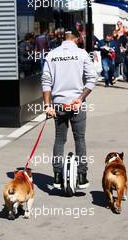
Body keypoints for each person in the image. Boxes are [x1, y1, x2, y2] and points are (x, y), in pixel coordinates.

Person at [41, 28, 97, 189]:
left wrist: (47, 105)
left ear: (62, 39)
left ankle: (58, 176)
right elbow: (92, 80)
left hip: (58, 105)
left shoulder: (52, 54)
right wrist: (80, 99)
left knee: (60, 139)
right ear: (75, 39)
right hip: (77, 104)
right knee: (80, 138)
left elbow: (45, 81)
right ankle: (82, 176)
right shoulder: (82, 54)